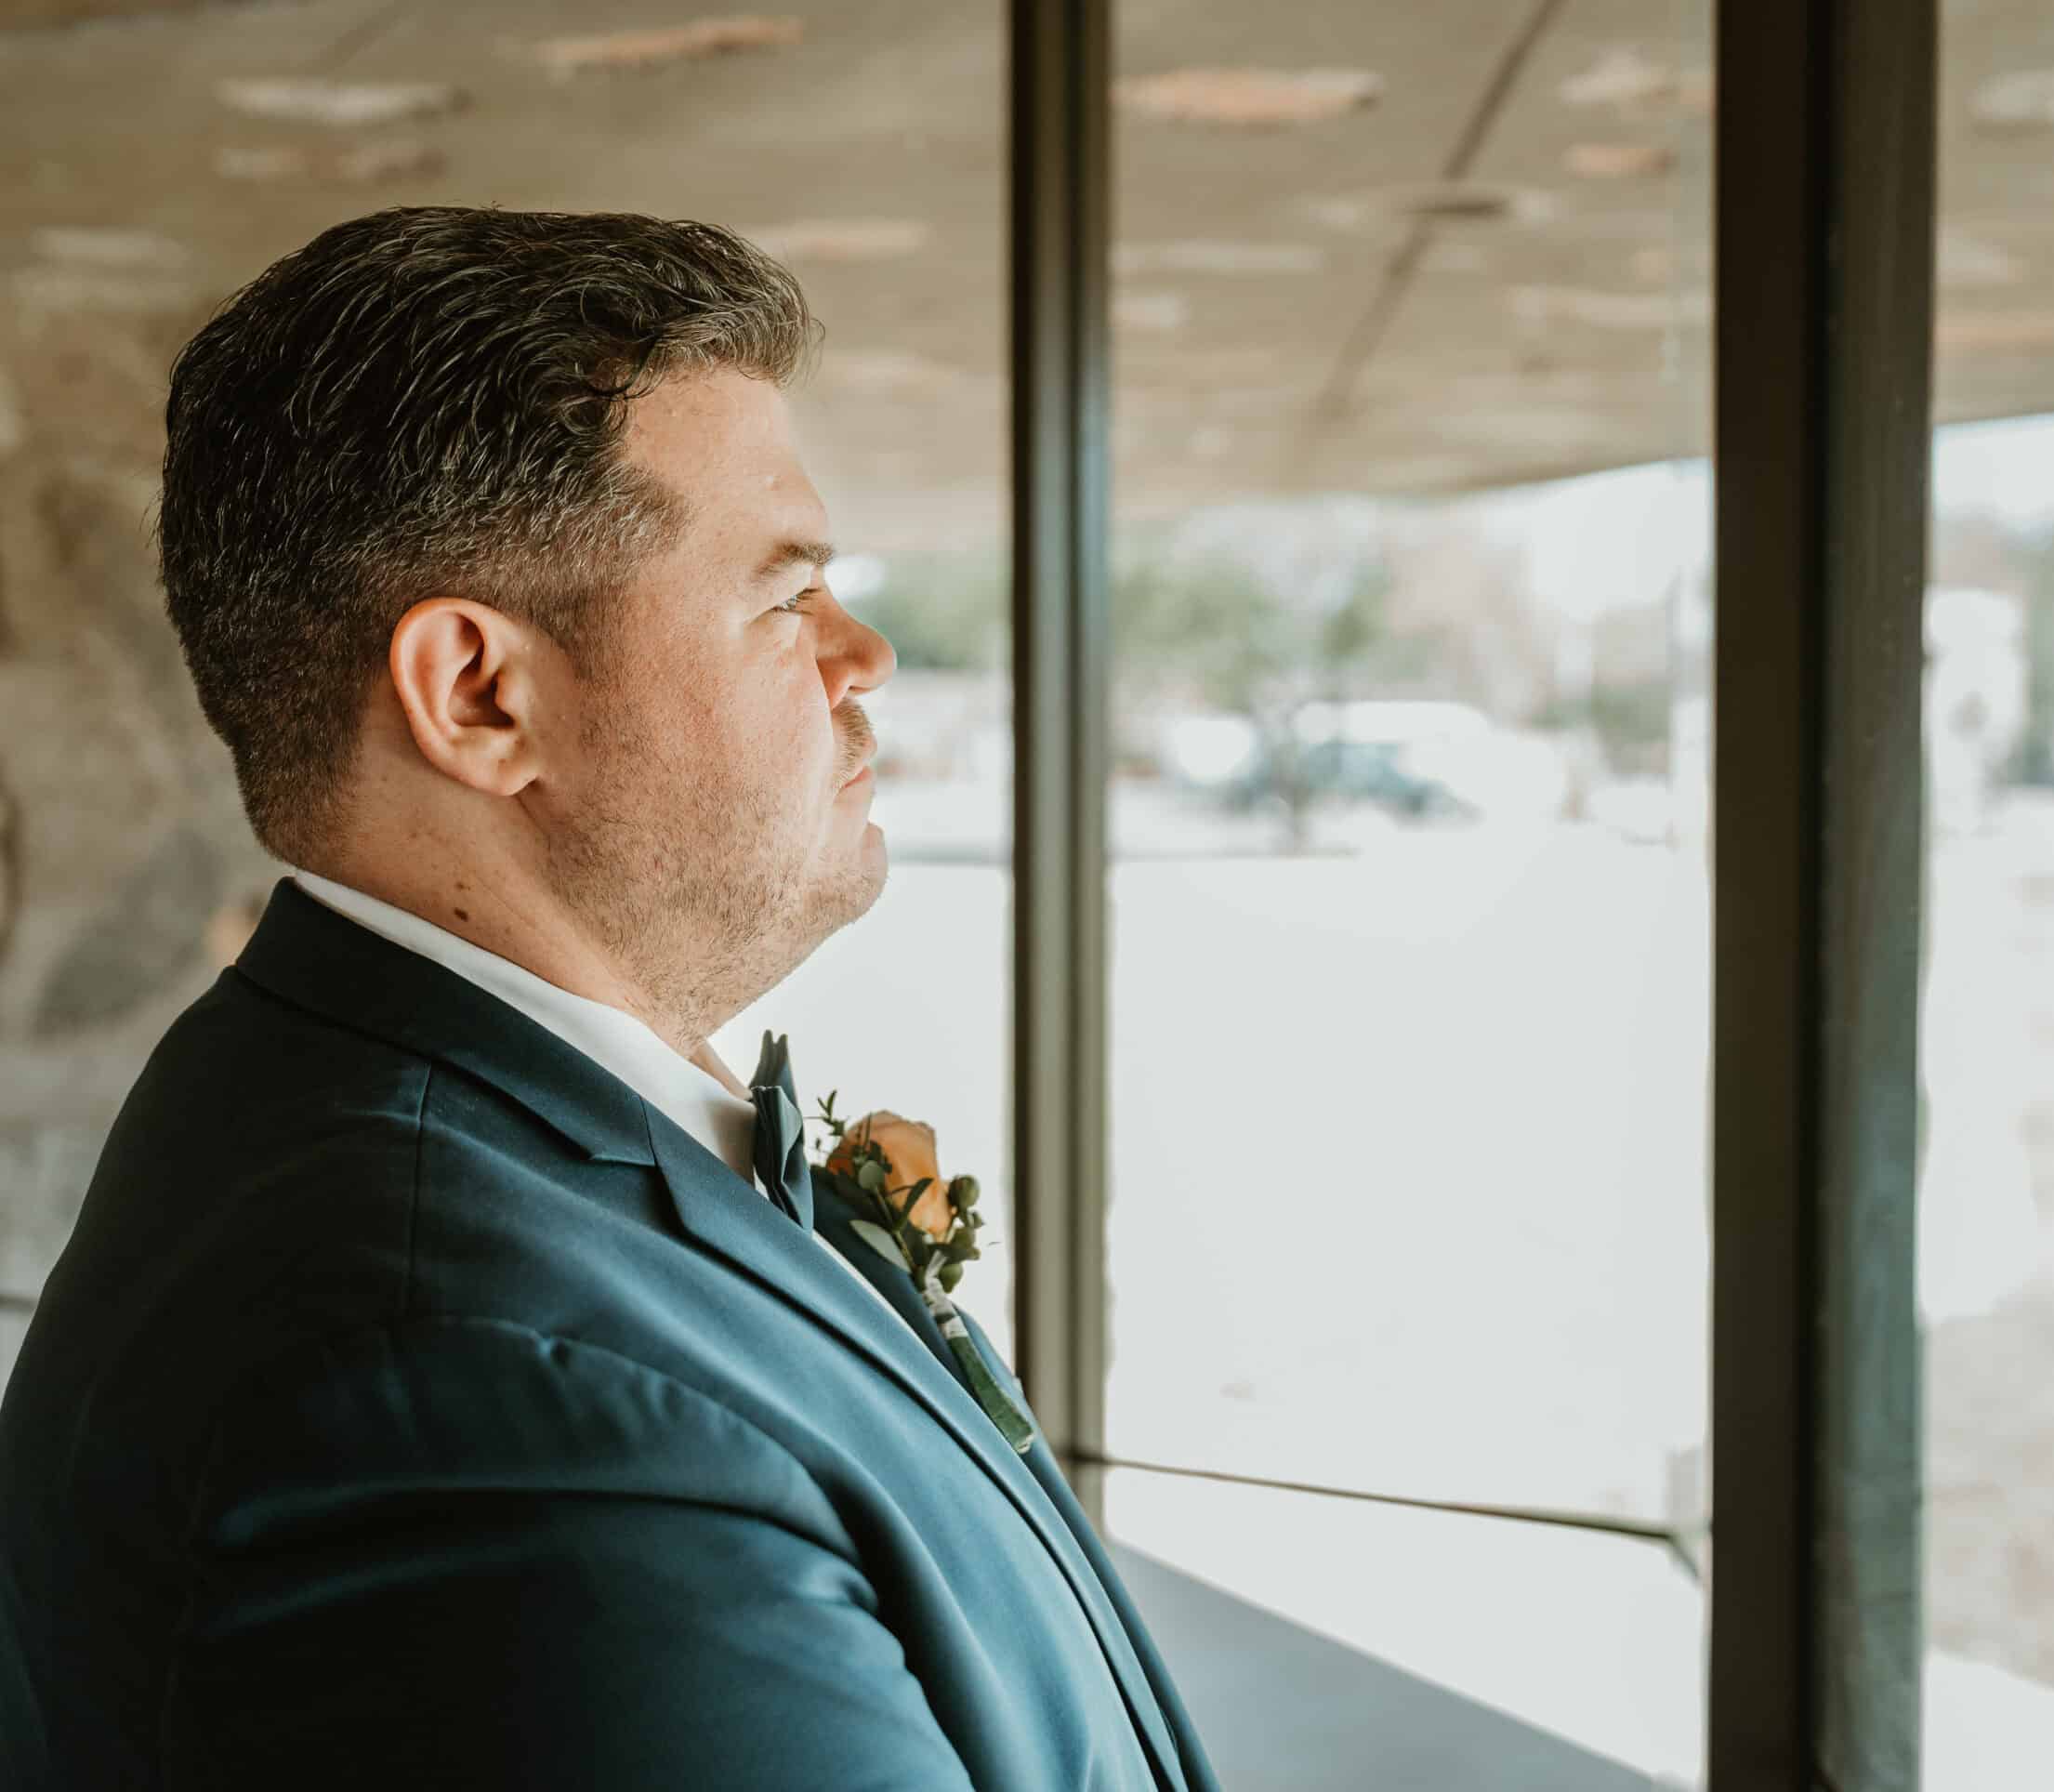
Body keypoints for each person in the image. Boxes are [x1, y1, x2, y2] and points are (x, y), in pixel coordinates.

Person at [0, 205, 1218, 1792]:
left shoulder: (413, 1127)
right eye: (785, 596)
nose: (866, 652)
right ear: (481, 696)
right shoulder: (460, 1381)